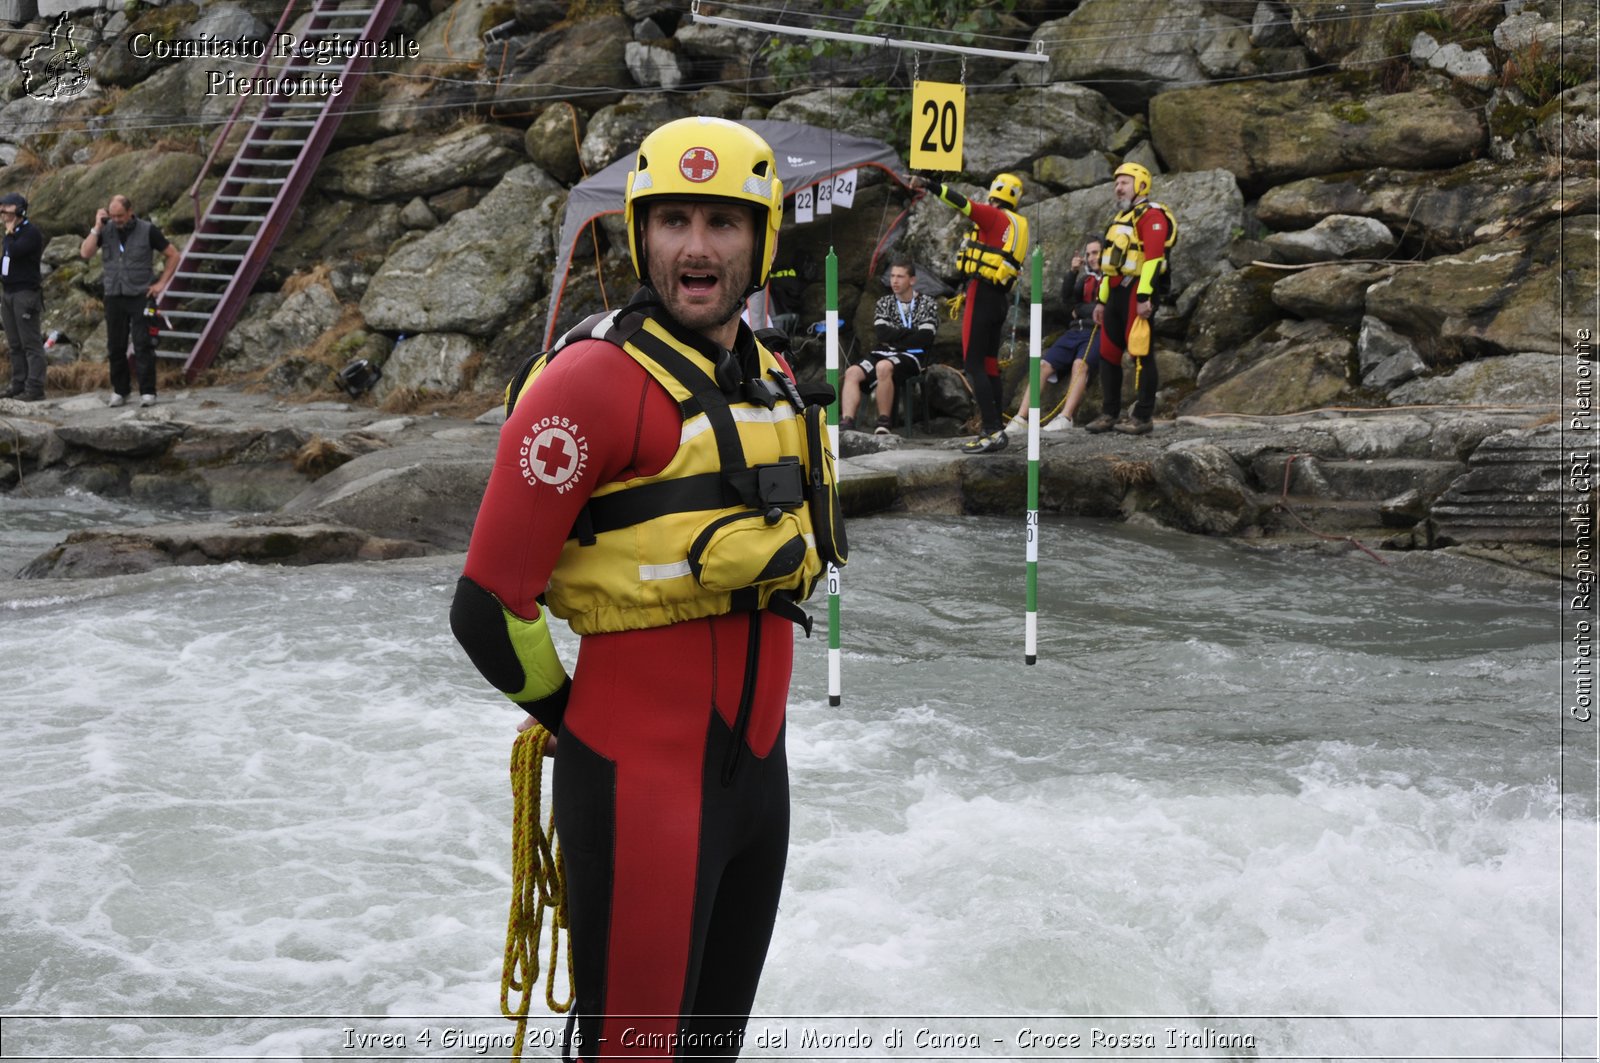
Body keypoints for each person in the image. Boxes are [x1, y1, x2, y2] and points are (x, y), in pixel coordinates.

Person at [451, 117, 842, 1061]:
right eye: (672, 221)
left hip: (758, 780)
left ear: (764, 237)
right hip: (637, 779)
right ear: (640, 235)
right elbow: (486, 608)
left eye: (723, 223)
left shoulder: (771, 376)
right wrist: (575, 717)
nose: (697, 248)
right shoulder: (588, 384)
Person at [909, 171, 1029, 454]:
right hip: (1000, 299)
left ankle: (990, 430)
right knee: (988, 365)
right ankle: (995, 428)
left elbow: (961, 202)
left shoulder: (993, 217)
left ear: (994, 193)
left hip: (982, 296)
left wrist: (929, 185)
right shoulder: (1016, 223)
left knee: (974, 365)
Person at [1085, 162, 1176, 436]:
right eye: (1117, 183)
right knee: (1108, 353)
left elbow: (1153, 258)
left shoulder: (1153, 216)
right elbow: (1106, 266)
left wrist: (1145, 296)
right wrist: (1101, 301)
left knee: (1141, 353)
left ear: (1141, 185)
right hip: (1114, 292)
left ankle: (1143, 416)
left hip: (1138, 290)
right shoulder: (1118, 219)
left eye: (1124, 182)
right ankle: (1109, 413)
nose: (1118, 188)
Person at [79, 194, 179, 408]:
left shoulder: (147, 230)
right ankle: (120, 390)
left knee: (143, 344)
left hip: (141, 295)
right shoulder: (105, 230)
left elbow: (173, 255)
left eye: (120, 215)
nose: (116, 220)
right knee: (115, 346)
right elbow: (85, 253)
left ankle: (148, 391)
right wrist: (97, 226)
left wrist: (161, 283)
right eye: (113, 216)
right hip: (114, 295)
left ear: (130, 212)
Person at [1006, 238, 1103, 435]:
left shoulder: (1112, 277)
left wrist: (1082, 309)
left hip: (1098, 332)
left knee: (1080, 365)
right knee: (1042, 365)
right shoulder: (1085, 279)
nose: (1092, 258)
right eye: (1089, 254)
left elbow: (1105, 309)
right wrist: (1072, 272)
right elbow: (1068, 301)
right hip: (1075, 331)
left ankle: (1066, 417)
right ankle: (1021, 418)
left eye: (1096, 253)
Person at [840, 255, 938, 435]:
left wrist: (895, 337)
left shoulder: (927, 303)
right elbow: (882, 333)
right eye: (892, 276)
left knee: (883, 367)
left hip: (912, 356)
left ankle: (884, 421)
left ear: (912, 280)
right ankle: (847, 421)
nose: (895, 281)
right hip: (882, 351)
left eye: (900, 277)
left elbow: (924, 338)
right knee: (852, 372)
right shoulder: (884, 303)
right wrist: (909, 333)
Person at [0, 193, 47, 402]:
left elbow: (15, 251)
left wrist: (9, 236)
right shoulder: (12, 233)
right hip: (8, 292)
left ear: (19, 210)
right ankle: (18, 383)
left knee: (30, 343)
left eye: (6, 208)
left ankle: (35, 386)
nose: (2, 212)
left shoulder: (30, 233)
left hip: (25, 294)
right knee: (14, 343)